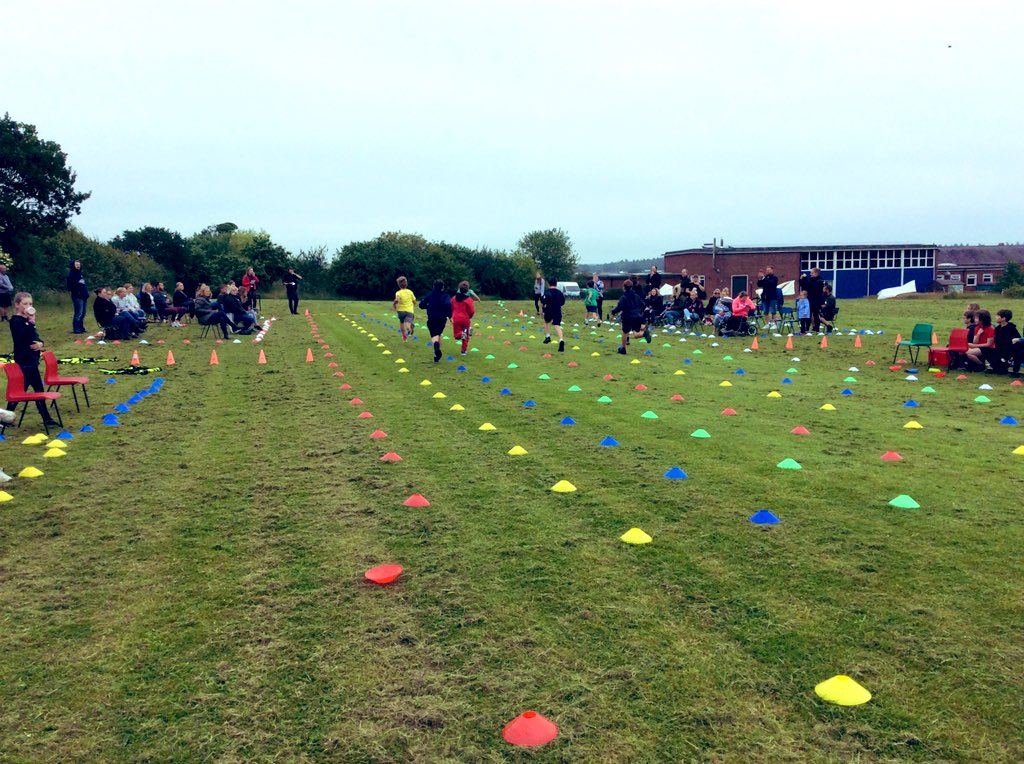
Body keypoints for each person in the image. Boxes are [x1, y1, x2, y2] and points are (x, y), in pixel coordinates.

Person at [8, 293, 59, 427]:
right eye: (25, 304)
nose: (28, 306)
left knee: (21, 390)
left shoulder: (28, 322)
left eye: (30, 304)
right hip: (24, 361)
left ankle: (5, 417)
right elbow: (23, 335)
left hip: (32, 359)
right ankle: (47, 419)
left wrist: (40, 344)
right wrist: (31, 322)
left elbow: (36, 337)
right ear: (17, 305)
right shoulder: (16, 321)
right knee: (37, 390)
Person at [611, 279, 650, 354]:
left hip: (627, 317)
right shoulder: (636, 296)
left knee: (625, 332)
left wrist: (613, 312)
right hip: (637, 316)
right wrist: (639, 312)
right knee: (636, 333)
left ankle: (623, 349)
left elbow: (620, 307)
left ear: (624, 287)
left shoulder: (624, 297)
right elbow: (643, 305)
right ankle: (644, 333)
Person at [419, 280, 452, 362]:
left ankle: (437, 349)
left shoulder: (429, 295)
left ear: (433, 286)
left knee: (434, 335)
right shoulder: (445, 296)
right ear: (442, 287)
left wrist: (429, 306)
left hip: (432, 318)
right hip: (442, 318)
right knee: (439, 334)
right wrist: (450, 316)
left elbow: (421, 305)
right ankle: (437, 354)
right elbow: (448, 305)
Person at [984, 309, 1021, 374]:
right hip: (999, 349)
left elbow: (1017, 339)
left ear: (1003, 318)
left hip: (1008, 351)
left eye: (998, 316)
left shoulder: (1011, 328)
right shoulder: (998, 328)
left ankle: (1004, 364)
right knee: (985, 350)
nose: (996, 317)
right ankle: (996, 366)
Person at [451, 281, 476, 355]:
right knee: (465, 336)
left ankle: (464, 334)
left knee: (456, 336)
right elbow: (472, 310)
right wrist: (469, 317)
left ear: (459, 288)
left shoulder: (454, 298)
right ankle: (463, 351)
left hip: (456, 319)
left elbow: (451, 307)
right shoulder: (469, 300)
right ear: (468, 290)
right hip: (465, 319)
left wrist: (451, 315)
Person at [542, 276, 565, 352]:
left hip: (549, 310)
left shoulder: (547, 292)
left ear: (549, 283)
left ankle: (548, 336)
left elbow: (544, 302)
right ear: (556, 284)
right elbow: (563, 302)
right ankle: (561, 340)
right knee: (557, 326)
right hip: (557, 311)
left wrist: (543, 310)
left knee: (546, 322)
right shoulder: (559, 292)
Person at [799, 267, 825, 332]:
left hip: (816, 300)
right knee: (808, 314)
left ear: (816, 273)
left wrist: (805, 279)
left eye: (812, 273)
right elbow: (804, 286)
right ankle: (806, 328)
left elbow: (812, 286)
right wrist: (801, 279)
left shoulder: (820, 281)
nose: (810, 274)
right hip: (809, 300)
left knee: (816, 314)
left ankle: (816, 328)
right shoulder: (810, 280)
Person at [66, 260, 88, 333]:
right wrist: (77, 292)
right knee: (79, 312)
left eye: (79, 264)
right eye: (76, 264)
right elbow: (69, 286)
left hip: (84, 296)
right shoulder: (71, 274)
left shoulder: (80, 274)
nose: (78, 266)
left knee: (83, 313)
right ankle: (76, 328)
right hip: (77, 296)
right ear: (73, 265)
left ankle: (81, 327)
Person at [392, 276, 416, 342]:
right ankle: (409, 328)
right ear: (406, 284)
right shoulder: (410, 292)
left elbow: (397, 300)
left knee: (402, 323)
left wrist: (394, 304)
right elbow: (414, 302)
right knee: (408, 323)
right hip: (409, 311)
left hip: (400, 311)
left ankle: (404, 338)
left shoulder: (398, 293)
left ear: (399, 285)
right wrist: (412, 304)